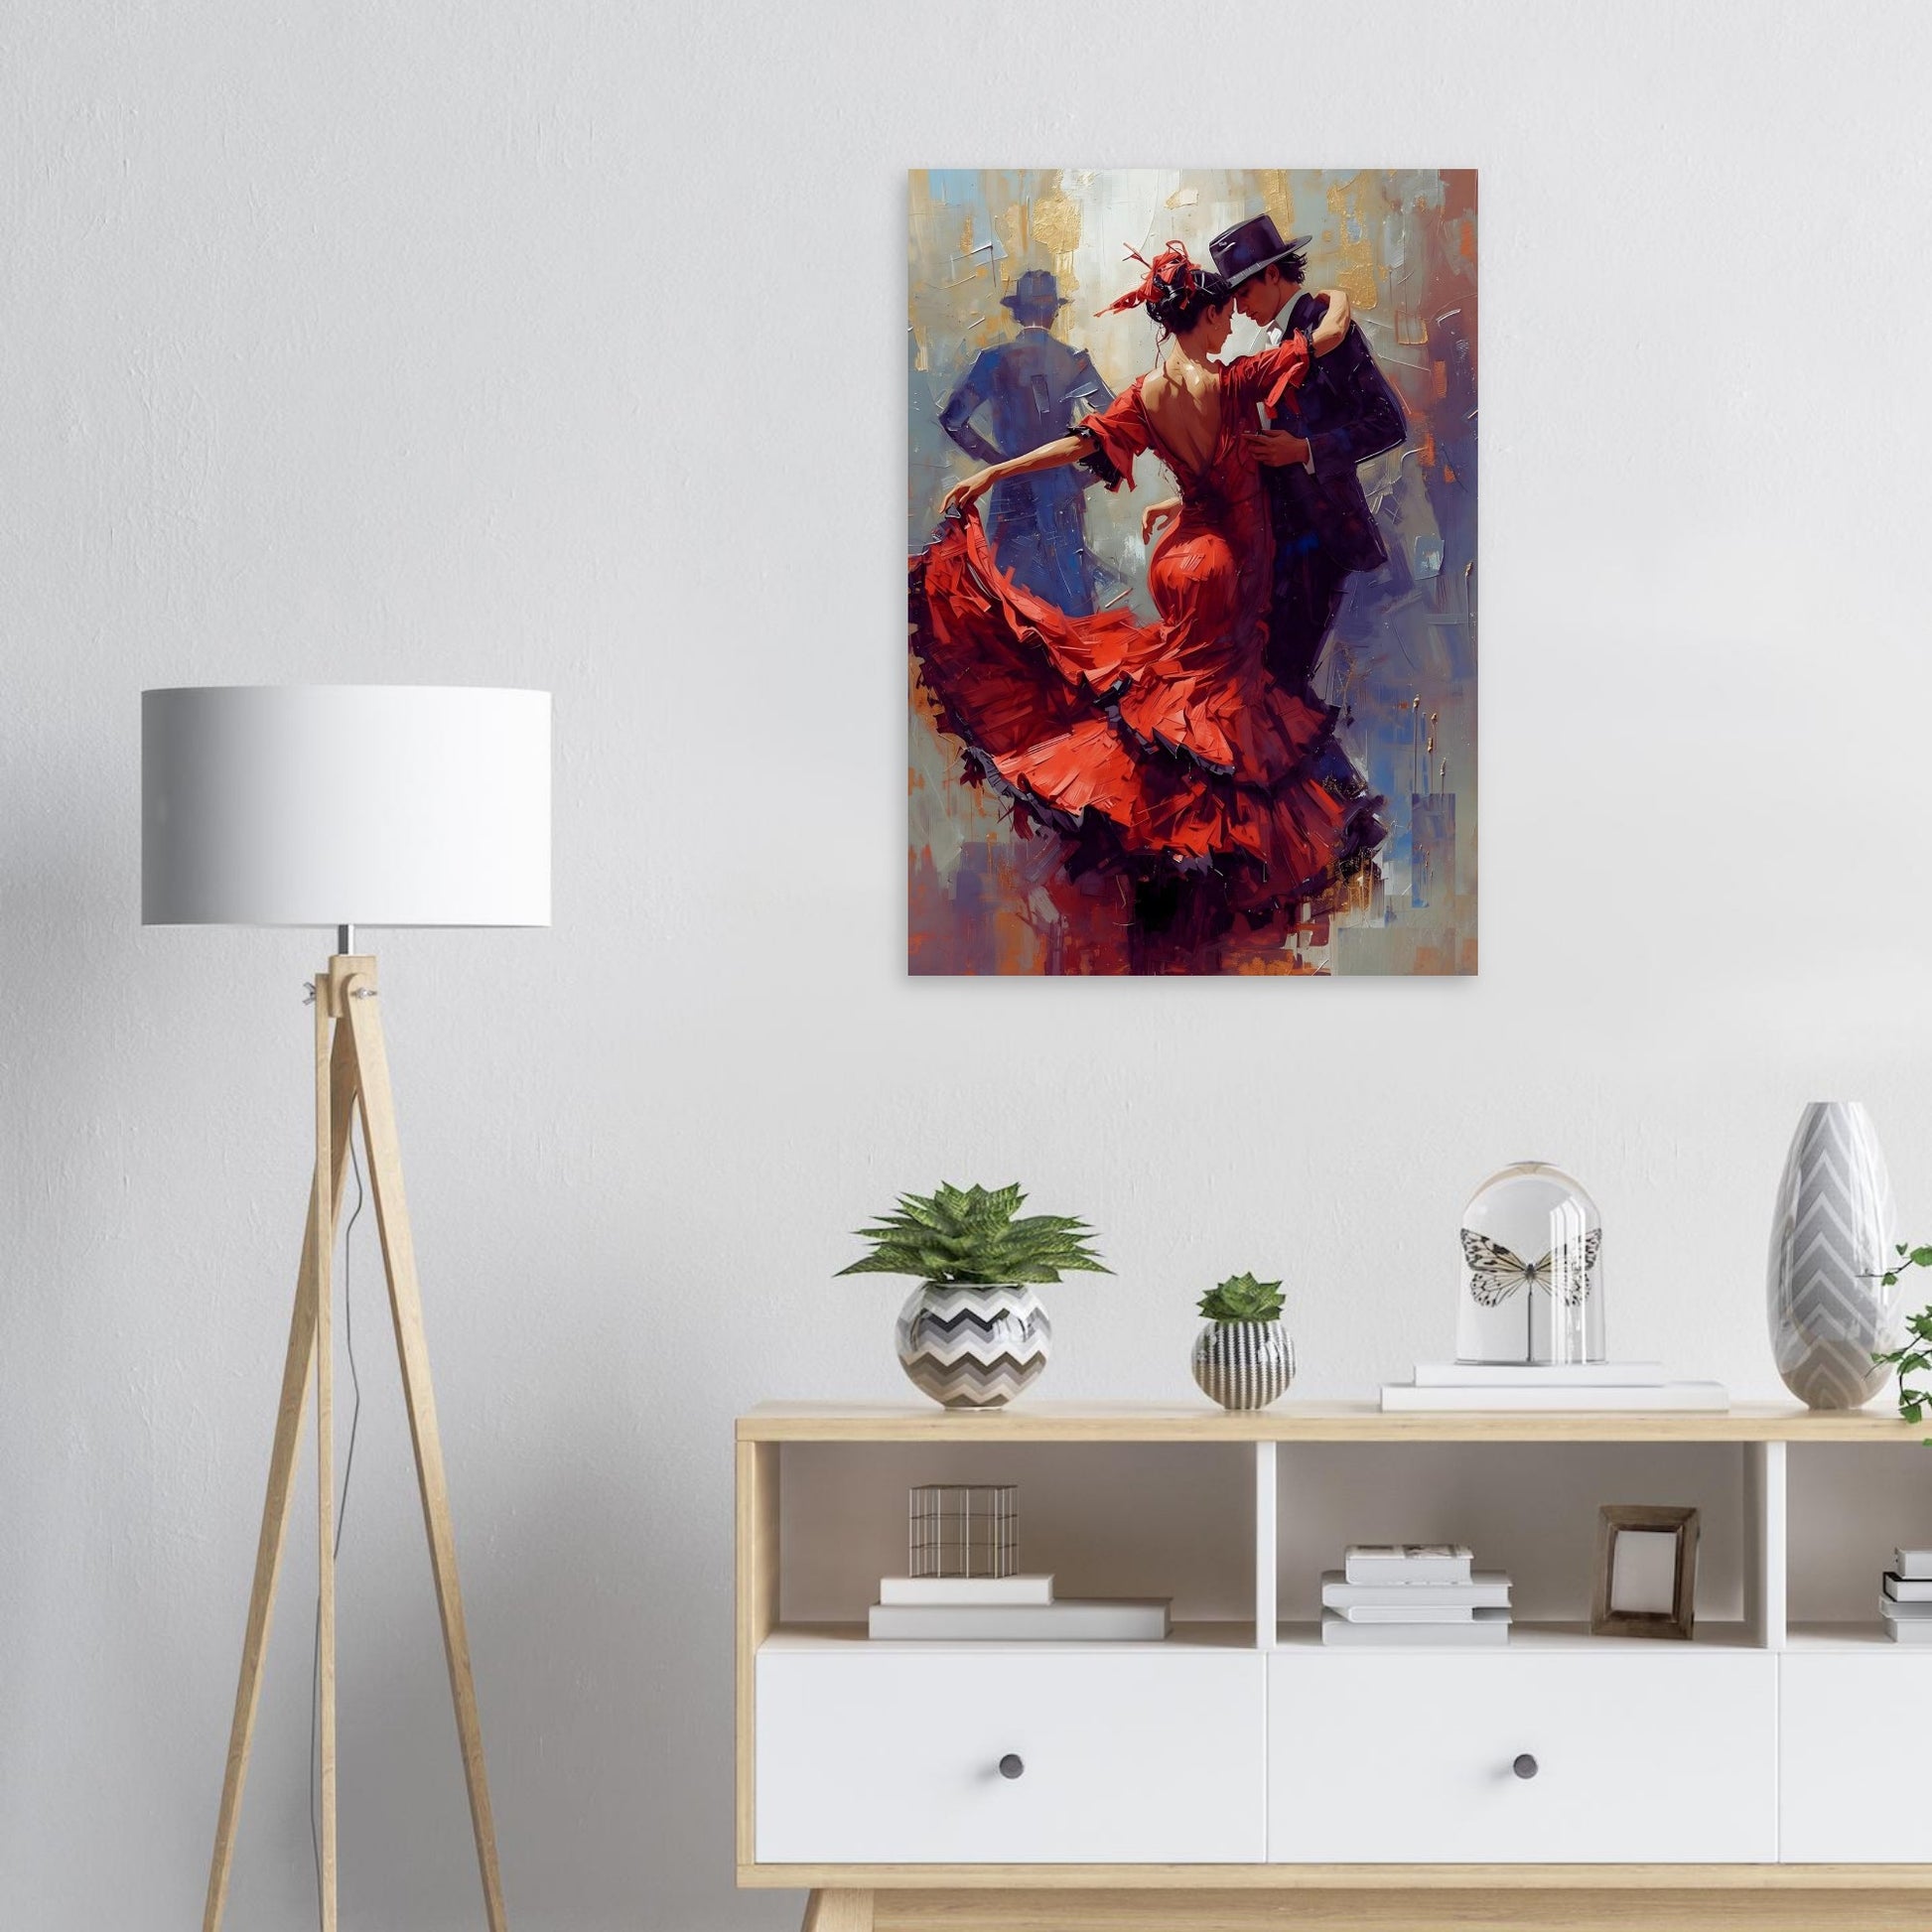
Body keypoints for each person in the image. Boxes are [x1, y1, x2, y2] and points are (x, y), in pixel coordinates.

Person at [910, 242, 1386, 971]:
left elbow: (1078, 448)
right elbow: (1327, 335)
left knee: (1181, 698)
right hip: (1231, 563)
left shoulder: (1146, 394)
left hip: (1180, 553)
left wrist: (995, 472)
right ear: (1209, 314)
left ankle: (1168, 847)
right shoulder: (1235, 380)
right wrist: (1341, 295)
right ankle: (1223, 858)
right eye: (1225, 312)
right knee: (1225, 706)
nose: (1233, 323)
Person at [1206, 212, 1407, 693]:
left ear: (1273, 274)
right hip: (1281, 543)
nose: (1239, 308)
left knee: (1304, 683)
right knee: (1278, 678)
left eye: (1243, 294)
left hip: (1330, 536)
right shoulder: (1272, 341)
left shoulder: (1325, 327)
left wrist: (1305, 450)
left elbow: (1389, 422)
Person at [937, 270, 1114, 616]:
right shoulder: (1075, 360)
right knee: (1071, 604)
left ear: (1017, 313)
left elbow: (953, 421)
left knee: (1011, 599)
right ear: (1054, 312)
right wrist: (1085, 476)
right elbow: (1116, 423)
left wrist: (997, 464)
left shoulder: (993, 360)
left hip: (1011, 491)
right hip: (1061, 492)